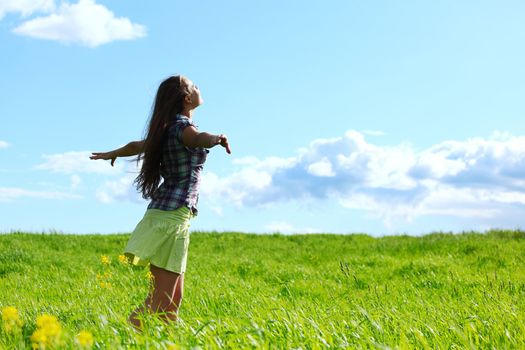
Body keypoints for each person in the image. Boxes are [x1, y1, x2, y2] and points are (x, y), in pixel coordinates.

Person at [90, 75, 231, 331]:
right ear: (188, 99)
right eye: (194, 86)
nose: (199, 87)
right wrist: (215, 139)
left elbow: (136, 145)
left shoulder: (166, 129)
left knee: (172, 301)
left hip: (167, 215)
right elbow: (198, 138)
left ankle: (168, 342)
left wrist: (114, 153)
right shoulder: (181, 128)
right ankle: (121, 338)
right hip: (171, 218)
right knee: (161, 300)